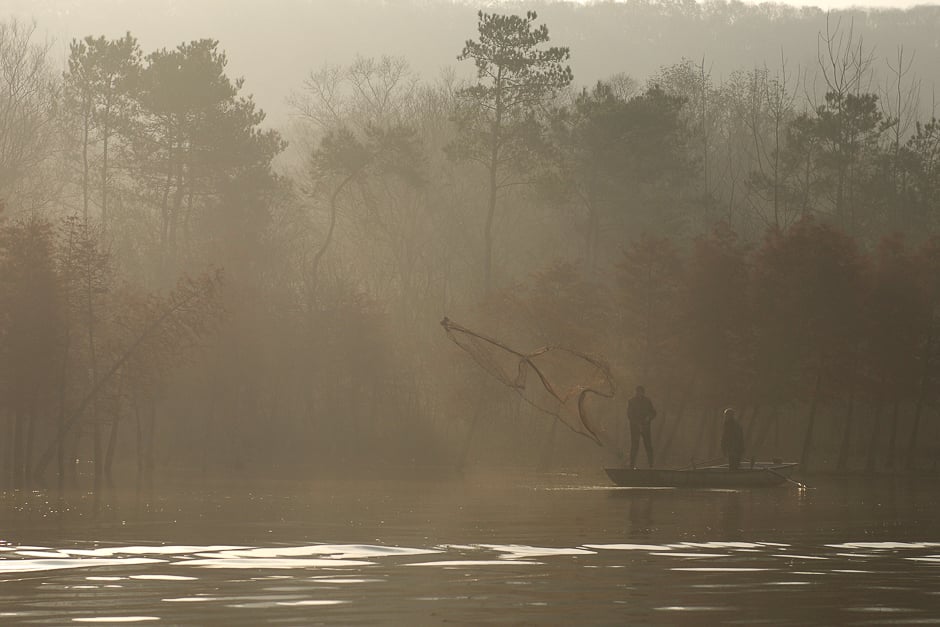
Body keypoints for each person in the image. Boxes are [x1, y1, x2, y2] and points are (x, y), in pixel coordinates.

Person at [627, 385, 656, 469]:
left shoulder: (647, 401)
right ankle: (631, 466)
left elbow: (653, 412)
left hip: (646, 427)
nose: (639, 393)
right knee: (634, 446)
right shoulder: (631, 401)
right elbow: (629, 415)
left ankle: (651, 465)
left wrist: (648, 418)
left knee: (648, 446)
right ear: (636, 392)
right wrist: (637, 424)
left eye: (640, 392)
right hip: (635, 428)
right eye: (637, 392)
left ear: (643, 392)